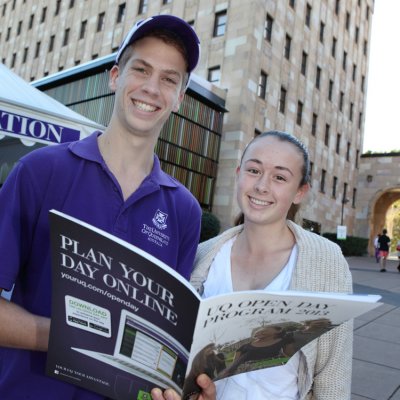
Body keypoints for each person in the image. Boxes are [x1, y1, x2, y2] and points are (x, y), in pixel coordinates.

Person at [0, 15, 202, 399]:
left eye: (169, 79)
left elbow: (167, 340)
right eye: (140, 69)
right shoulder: (41, 171)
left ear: (179, 99)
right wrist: (74, 337)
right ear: (114, 77)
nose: (151, 88)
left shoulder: (184, 211)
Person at [152, 130, 353, 400]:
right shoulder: (204, 256)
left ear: (299, 192)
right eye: (254, 170)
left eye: (280, 177)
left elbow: (333, 378)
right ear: (238, 174)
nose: (261, 186)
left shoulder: (326, 262)